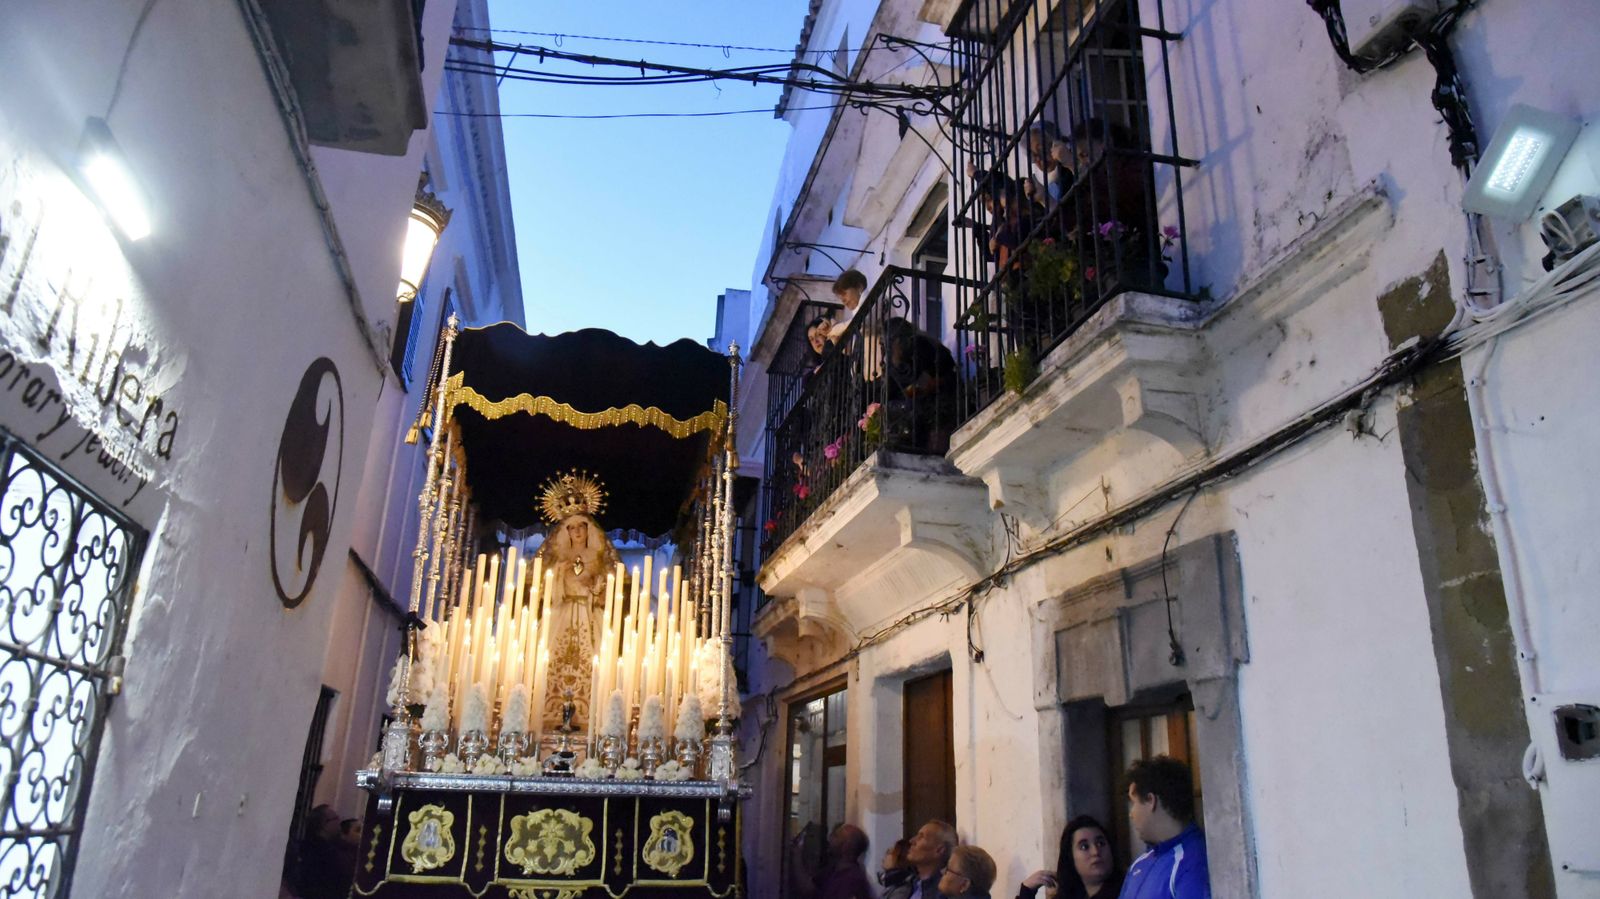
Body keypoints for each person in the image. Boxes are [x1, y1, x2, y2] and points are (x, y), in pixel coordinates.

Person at [532, 473, 622, 734]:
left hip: (588, 613)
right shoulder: (557, 557)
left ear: (588, 528)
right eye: (572, 528)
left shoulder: (598, 555)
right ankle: (549, 711)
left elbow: (612, 583)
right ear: (566, 532)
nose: (577, 532)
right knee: (549, 659)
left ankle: (589, 713)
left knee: (594, 660)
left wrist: (597, 587)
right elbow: (542, 585)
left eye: (581, 526)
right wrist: (560, 573)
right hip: (561, 613)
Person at [1118, 756, 1209, 899]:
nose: (1131, 814)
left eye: (1133, 803)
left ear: (1150, 800)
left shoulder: (1192, 862)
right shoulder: (1140, 864)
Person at [1018, 814, 1124, 899]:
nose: (1095, 852)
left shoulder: (1128, 890)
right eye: (1084, 847)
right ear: (1071, 857)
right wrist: (1027, 891)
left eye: (1100, 843)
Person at [790, 823, 875, 899]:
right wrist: (797, 854)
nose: (830, 838)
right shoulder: (832, 869)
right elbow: (809, 889)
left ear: (846, 846)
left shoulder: (853, 880)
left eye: (836, 836)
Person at [882, 819, 957, 899]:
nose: (912, 841)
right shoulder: (906, 885)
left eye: (921, 837)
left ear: (939, 850)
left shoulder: (943, 893)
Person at [295, 804, 354, 899]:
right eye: (336, 818)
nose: (339, 822)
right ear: (324, 825)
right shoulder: (322, 853)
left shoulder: (330, 848)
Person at [825, 269, 869, 343]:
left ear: (859, 287)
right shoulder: (858, 310)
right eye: (840, 298)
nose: (843, 301)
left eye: (844, 294)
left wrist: (835, 330)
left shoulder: (874, 299)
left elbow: (864, 323)